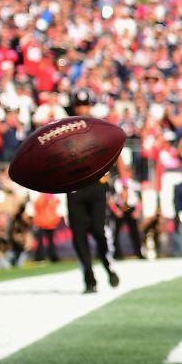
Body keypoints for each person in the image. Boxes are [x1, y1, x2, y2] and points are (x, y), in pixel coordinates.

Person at [63, 91, 120, 294]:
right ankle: (89, 278)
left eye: (85, 105)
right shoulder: (64, 130)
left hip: (96, 186)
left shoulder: (98, 128)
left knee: (98, 230)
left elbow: (115, 151)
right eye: (79, 105)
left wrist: (123, 182)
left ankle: (107, 265)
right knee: (79, 235)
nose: (82, 109)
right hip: (75, 187)